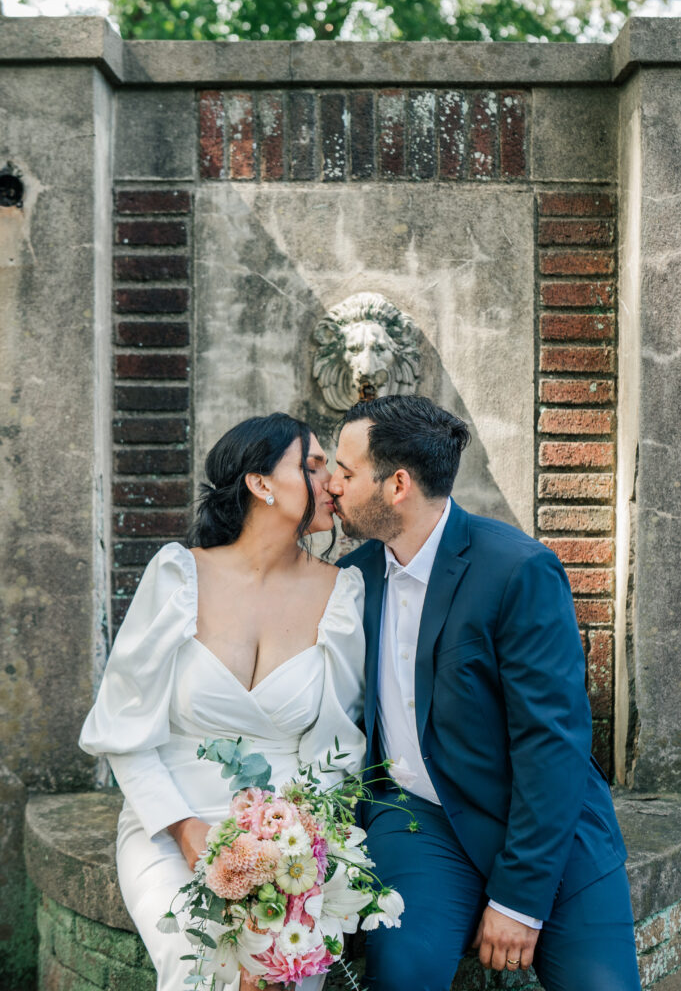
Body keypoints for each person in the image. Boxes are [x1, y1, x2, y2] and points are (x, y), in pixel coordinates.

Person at [329, 394, 640, 991]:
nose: (333, 486)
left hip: (544, 821)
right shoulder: (357, 576)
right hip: (419, 821)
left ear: (397, 485)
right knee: (401, 977)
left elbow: (552, 743)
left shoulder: (518, 570)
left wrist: (520, 901)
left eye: (345, 473)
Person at [79, 413, 366, 991]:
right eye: (312, 466)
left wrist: (299, 850)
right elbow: (122, 728)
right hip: (171, 821)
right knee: (200, 965)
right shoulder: (178, 576)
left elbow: (336, 747)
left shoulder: (343, 592)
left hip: (290, 837)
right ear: (261, 484)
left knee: (287, 968)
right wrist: (185, 830)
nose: (332, 482)